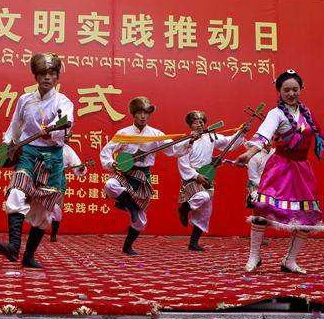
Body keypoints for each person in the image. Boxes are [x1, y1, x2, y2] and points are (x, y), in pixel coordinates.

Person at [234, 70, 324, 274]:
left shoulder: (306, 113)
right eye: (286, 90)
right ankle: (254, 257)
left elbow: (321, 136)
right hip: (279, 168)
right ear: (279, 91)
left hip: (301, 171)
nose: (291, 93)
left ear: (301, 89)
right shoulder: (276, 113)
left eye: (295, 89)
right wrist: (249, 154)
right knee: (262, 210)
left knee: (306, 215)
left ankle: (290, 260)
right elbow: (264, 135)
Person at [0, 53, 74, 269]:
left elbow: (66, 122)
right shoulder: (24, 100)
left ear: (57, 77)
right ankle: (13, 246)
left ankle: (28, 256)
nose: (47, 77)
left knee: (44, 212)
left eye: (52, 73)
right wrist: (6, 146)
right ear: (36, 76)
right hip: (28, 153)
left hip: (52, 159)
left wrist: (52, 133)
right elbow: (15, 126)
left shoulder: (63, 101)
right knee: (16, 192)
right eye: (42, 73)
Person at [100, 96, 189, 256]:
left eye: (146, 113)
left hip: (142, 176)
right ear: (134, 114)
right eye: (140, 113)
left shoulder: (155, 134)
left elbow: (173, 149)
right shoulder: (124, 133)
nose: (143, 116)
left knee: (141, 221)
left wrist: (190, 141)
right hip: (125, 172)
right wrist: (112, 163)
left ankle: (128, 246)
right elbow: (106, 152)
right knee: (110, 185)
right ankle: (130, 205)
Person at [175, 110, 248, 252]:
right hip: (192, 177)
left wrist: (242, 133)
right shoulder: (186, 141)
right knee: (203, 196)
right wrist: (196, 175)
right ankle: (184, 208)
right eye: (195, 122)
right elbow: (183, 163)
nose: (199, 124)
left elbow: (229, 142)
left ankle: (193, 243)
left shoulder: (211, 137)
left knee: (205, 212)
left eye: (201, 121)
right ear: (190, 125)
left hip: (207, 175)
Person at [49, 141, 89, 242]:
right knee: (39, 207)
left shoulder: (66, 149)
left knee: (57, 208)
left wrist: (81, 168)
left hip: (59, 180)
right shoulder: (44, 144)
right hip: (44, 177)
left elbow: (77, 165)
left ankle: (54, 233)